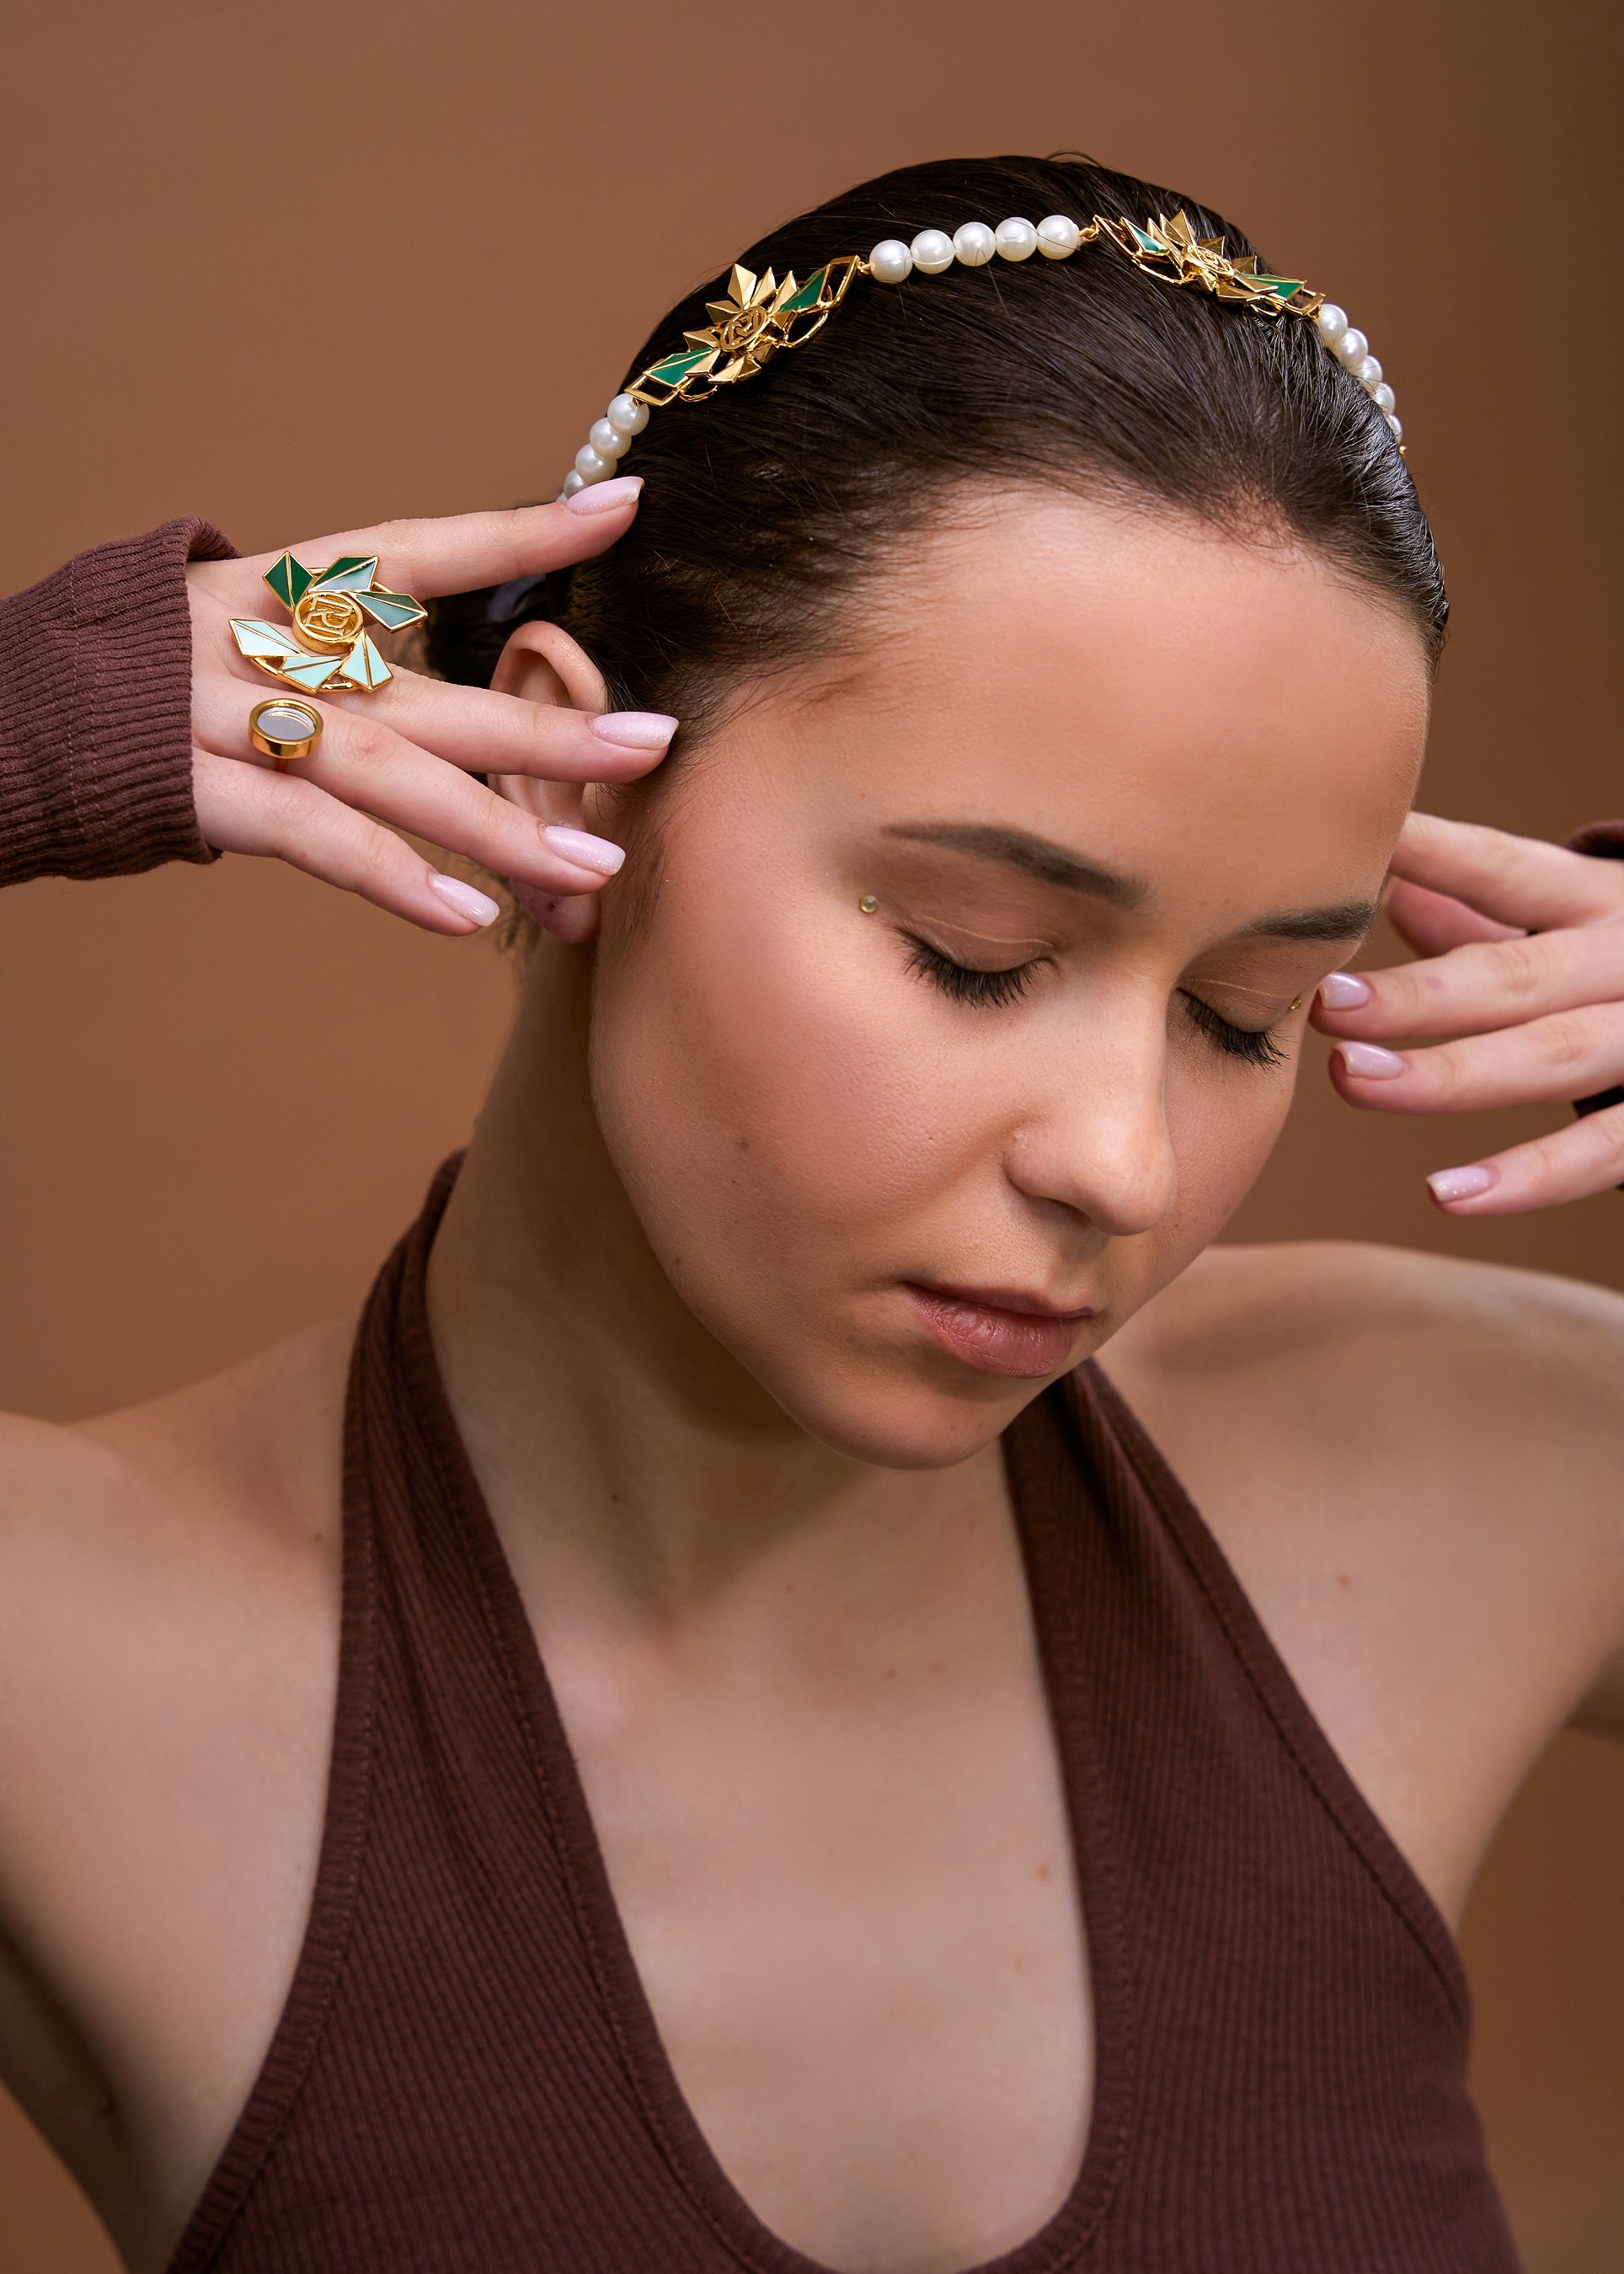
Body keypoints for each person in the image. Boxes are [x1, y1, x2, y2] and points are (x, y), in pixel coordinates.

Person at [0, 151, 1620, 2274]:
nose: (1118, 1167)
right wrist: (32, 729)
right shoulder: (71, 1661)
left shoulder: (1459, 1462)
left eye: (1246, 1018)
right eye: (970, 952)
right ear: (580, 779)